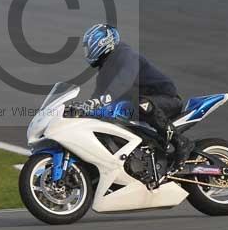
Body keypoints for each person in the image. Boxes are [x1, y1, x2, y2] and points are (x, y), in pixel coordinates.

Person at [78, 23, 194, 170]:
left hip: (165, 99)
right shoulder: (104, 71)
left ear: (101, 43)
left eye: (88, 46)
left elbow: (123, 81)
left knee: (141, 104)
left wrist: (102, 100)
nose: (87, 51)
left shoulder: (125, 54)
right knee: (104, 118)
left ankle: (180, 141)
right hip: (138, 106)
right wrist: (82, 110)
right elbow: (98, 96)